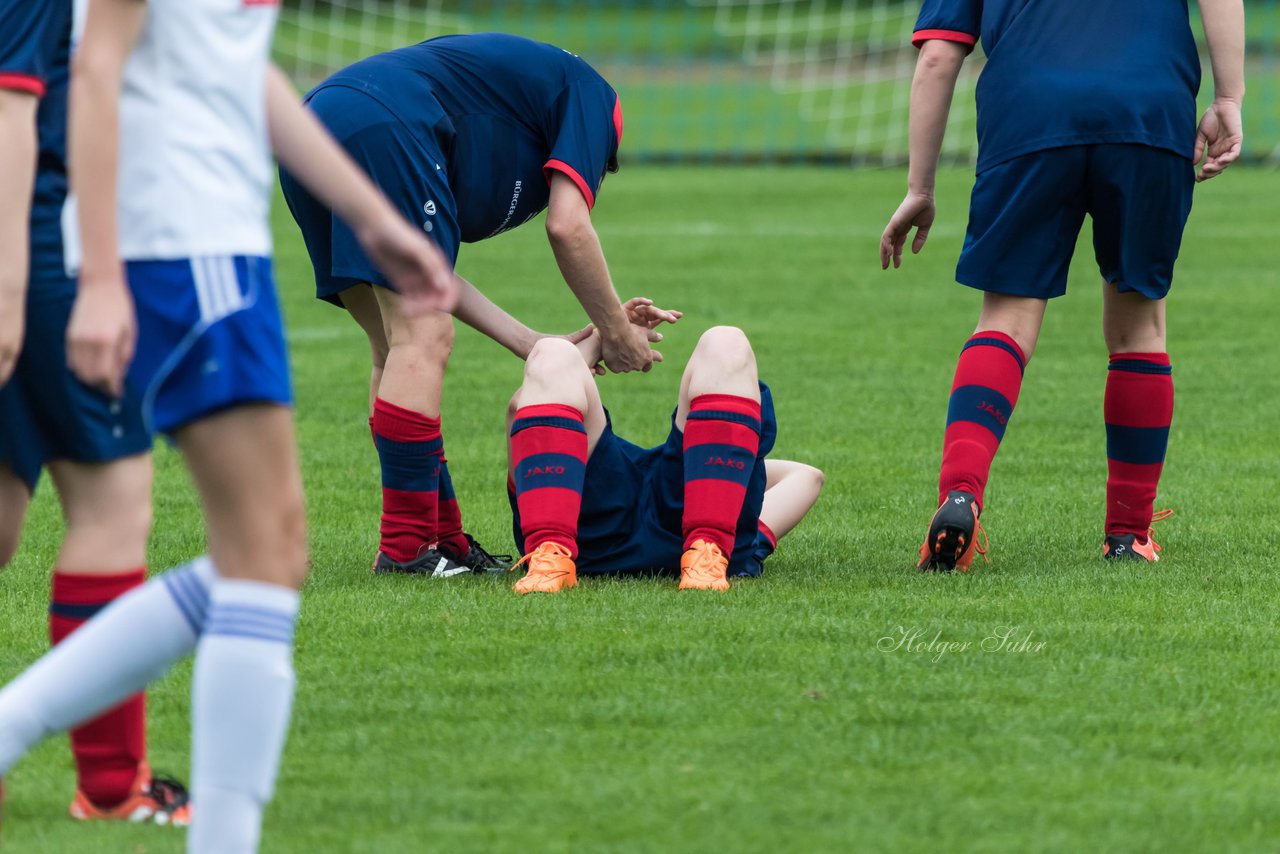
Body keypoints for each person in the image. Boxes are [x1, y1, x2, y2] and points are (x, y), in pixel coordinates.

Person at [0, 0, 454, 849]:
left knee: (266, 556)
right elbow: (97, 66)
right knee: (263, 556)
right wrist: (101, 277)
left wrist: (374, 218)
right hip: (177, 246)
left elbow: (238, 64)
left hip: (213, 247)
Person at [280, 33, 662, 577]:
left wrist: (536, 343)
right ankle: (408, 549)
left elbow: (435, 279)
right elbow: (568, 225)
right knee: (422, 335)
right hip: (384, 122)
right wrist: (617, 334)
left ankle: (443, 538)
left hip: (315, 127)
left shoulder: (514, 96)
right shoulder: (592, 96)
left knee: (392, 348)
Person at [880, 0, 1244, 570]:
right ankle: (1127, 535)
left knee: (1005, 321)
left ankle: (961, 496)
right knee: (1139, 327)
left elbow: (938, 56)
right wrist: (1228, 100)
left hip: (1029, 112)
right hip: (1146, 110)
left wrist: (920, 188)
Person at [0, 0, 188, 824]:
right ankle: (114, 788)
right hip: (37, 243)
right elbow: (11, 98)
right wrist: (10, 291)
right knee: (113, 504)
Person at [506, 309, 823, 594]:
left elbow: (521, 404)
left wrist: (599, 341)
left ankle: (550, 555)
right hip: (697, 529)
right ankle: (706, 548)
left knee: (552, 353)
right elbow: (807, 476)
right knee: (726, 341)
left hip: (587, 532)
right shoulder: (743, 533)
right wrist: (728, 466)